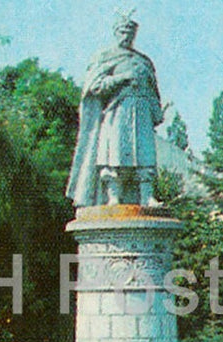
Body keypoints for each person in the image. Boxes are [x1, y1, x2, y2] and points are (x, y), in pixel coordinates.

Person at [66, 14, 165, 208]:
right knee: (115, 154)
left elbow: (153, 90)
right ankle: (113, 197)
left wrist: (156, 110)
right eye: (122, 32)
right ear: (115, 32)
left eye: (130, 33)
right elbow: (95, 86)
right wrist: (123, 77)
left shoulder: (144, 61)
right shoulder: (105, 57)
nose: (126, 36)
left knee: (144, 155)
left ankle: (146, 196)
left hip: (142, 112)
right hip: (117, 111)